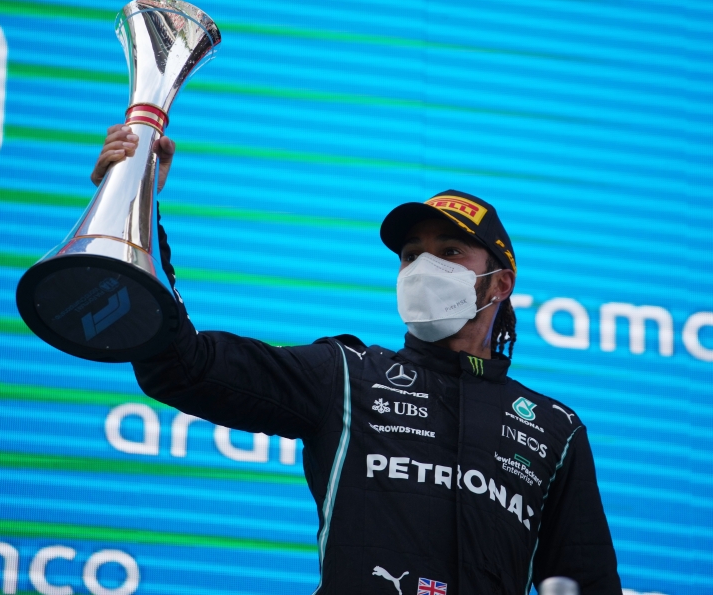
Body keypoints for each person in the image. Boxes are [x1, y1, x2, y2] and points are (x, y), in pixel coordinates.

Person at [94, 125, 622, 595]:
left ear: (500, 283)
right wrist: (135, 204)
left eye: (451, 253)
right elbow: (184, 366)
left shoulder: (556, 430)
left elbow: (587, 584)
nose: (424, 268)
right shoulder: (346, 375)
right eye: (412, 255)